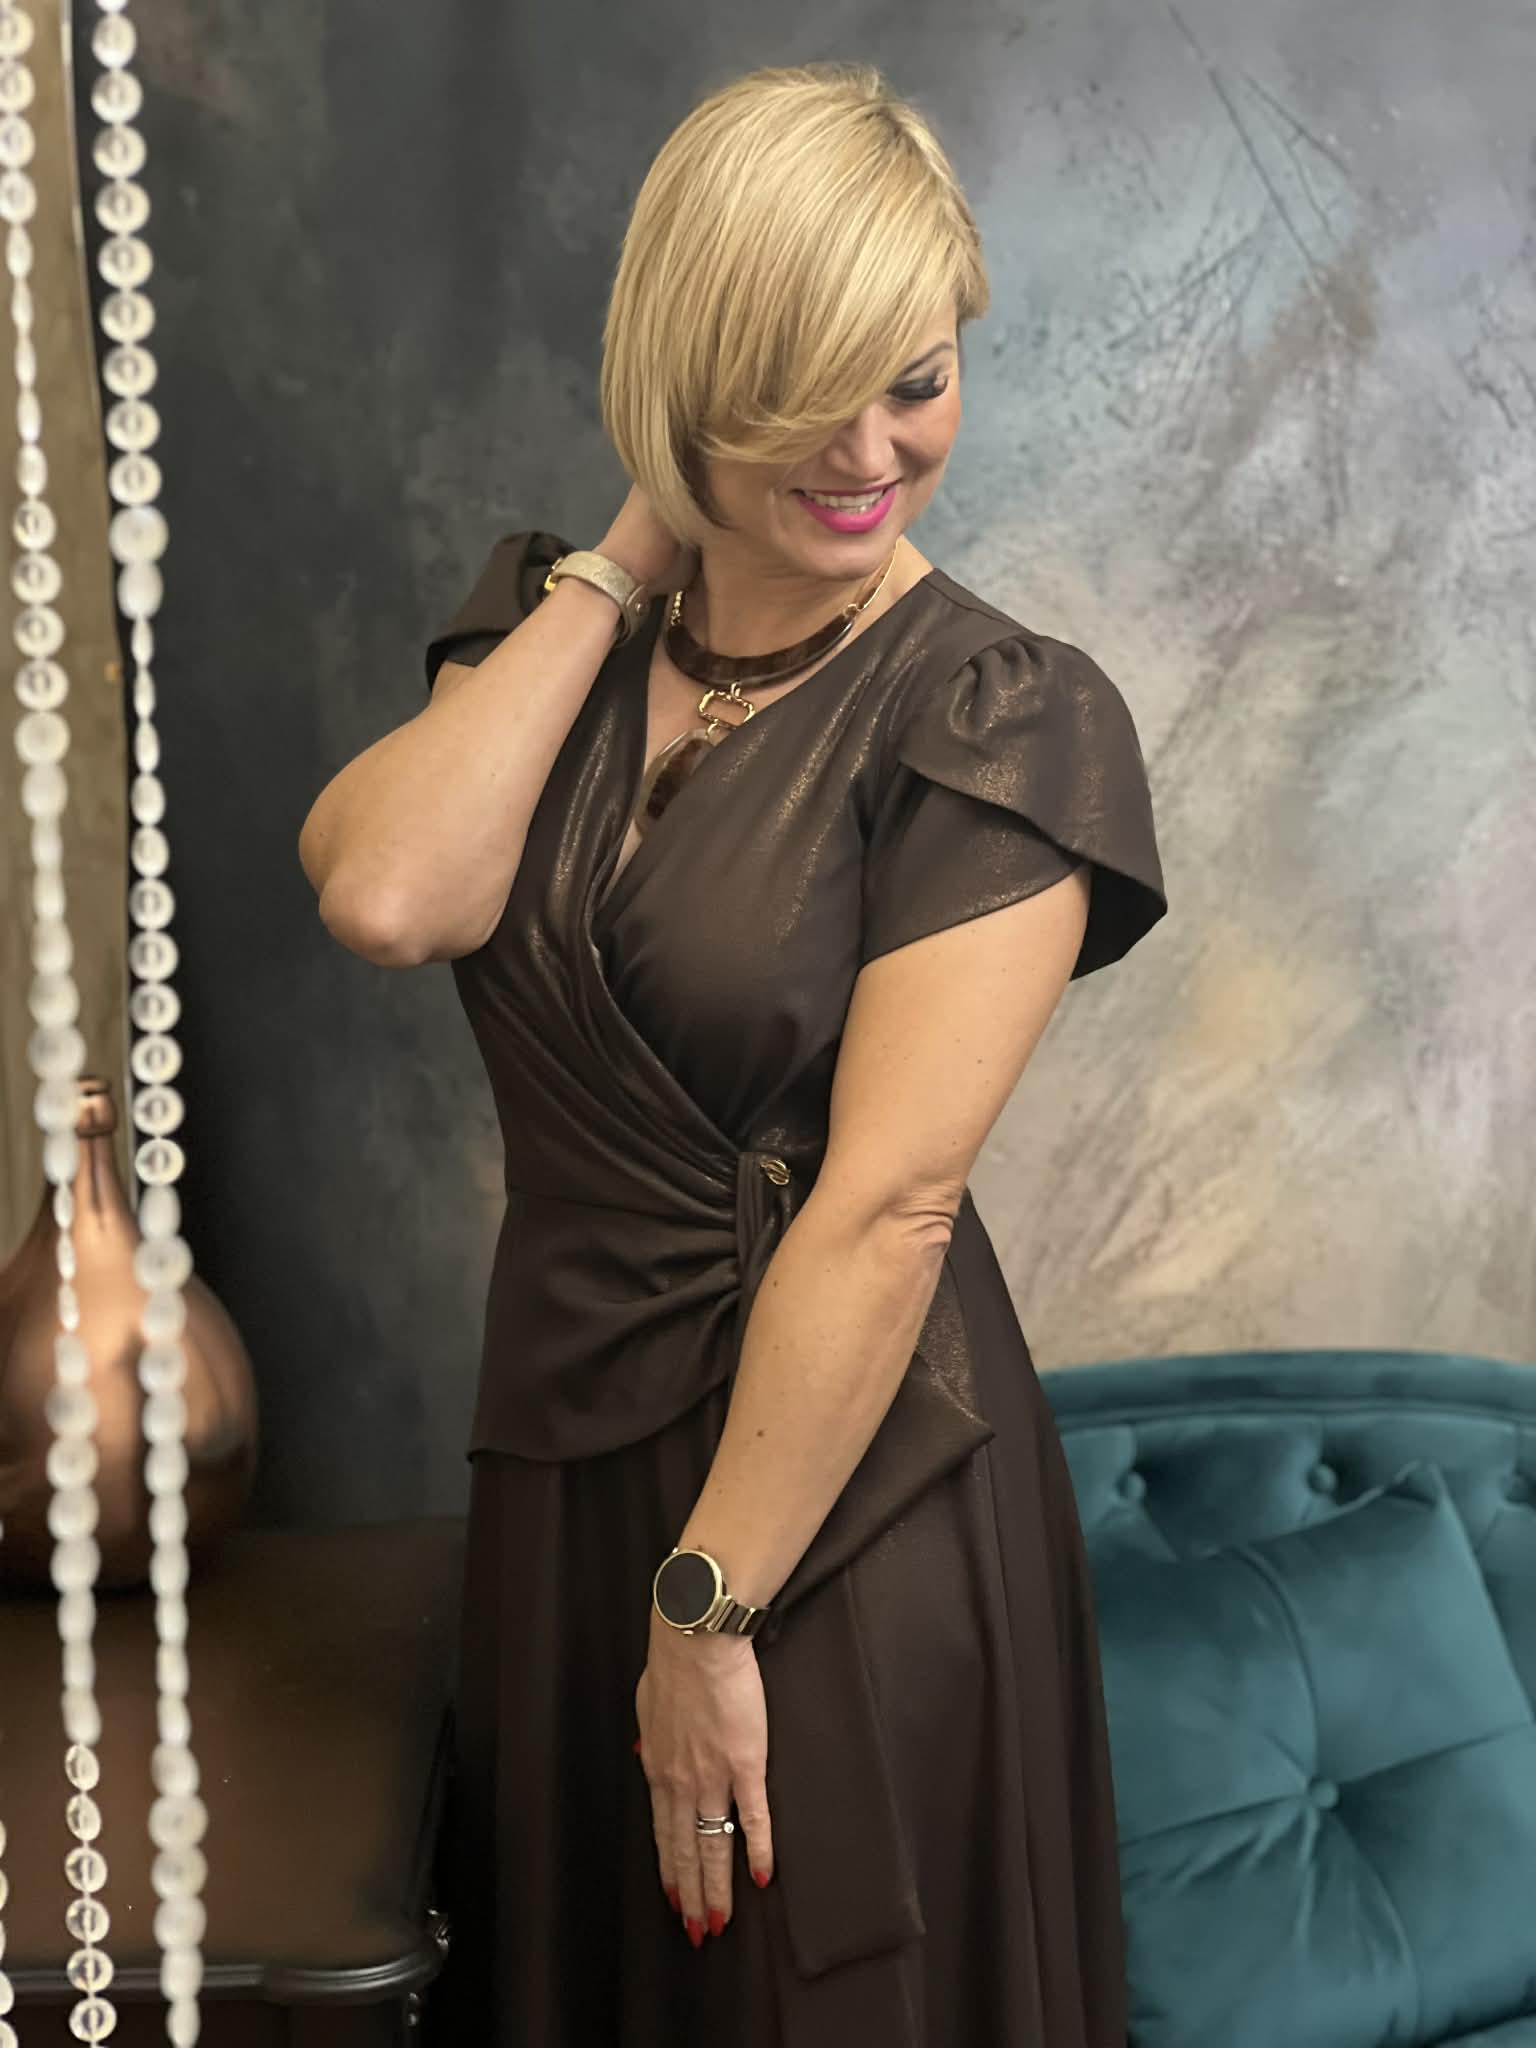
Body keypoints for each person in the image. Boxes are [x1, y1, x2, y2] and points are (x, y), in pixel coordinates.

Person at [299, 58, 1166, 2048]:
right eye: (800, 391)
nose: (873, 451)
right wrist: (629, 555)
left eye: (917, 379)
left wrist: (709, 1612)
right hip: (564, 1465)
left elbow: (890, 1208)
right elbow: (390, 895)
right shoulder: (556, 636)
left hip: (835, 1507)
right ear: (688, 385)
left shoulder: (1001, 711)